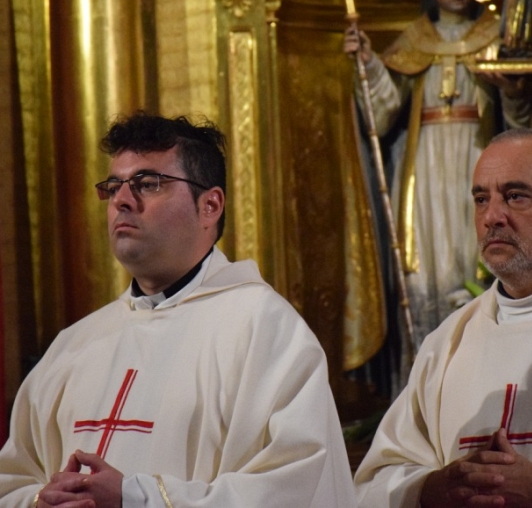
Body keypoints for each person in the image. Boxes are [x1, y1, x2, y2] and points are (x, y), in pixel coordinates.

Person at [0, 113, 357, 508]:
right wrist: (40, 500)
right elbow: (11, 481)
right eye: (114, 186)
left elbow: (294, 488)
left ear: (210, 205)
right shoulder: (73, 346)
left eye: (147, 184)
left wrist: (134, 498)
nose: (121, 199)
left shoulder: (266, 331)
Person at [354, 127, 532, 507]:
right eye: (481, 199)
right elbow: (374, 481)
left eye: (515, 196)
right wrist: (432, 489)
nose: (492, 216)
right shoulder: (449, 342)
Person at [344, 0, 532, 352]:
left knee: (475, 252)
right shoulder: (413, 41)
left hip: (478, 159)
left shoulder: (497, 36)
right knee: (427, 268)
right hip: (424, 167)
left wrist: (511, 92)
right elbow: (383, 116)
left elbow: (523, 123)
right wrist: (369, 66)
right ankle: (427, 369)